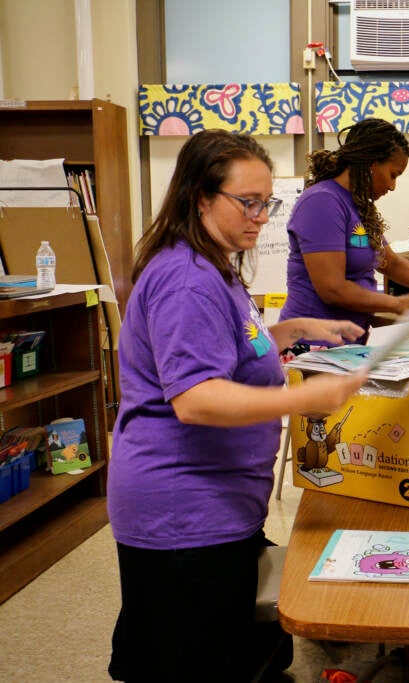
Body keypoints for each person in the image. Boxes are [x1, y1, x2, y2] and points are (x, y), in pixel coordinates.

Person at [107, 129, 368, 683]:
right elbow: (197, 397)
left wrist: (295, 329)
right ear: (201, 197)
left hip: (216, 502)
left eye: (266, 202)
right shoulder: (186, 280)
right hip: (184, 511)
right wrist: (306, 396)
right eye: (247, 203)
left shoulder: (213, 266)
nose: (260, 216)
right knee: (194, 662)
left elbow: (230, 348)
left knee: (229, 649)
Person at [280, 117, 409, 345]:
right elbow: (333, 289)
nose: (392, 186)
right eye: (393, 175)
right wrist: (399, 304)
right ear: (371, 164)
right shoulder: (322, 201)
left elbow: (390, 262)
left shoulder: (358, 206)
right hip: (313, 345)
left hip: (348, 342)